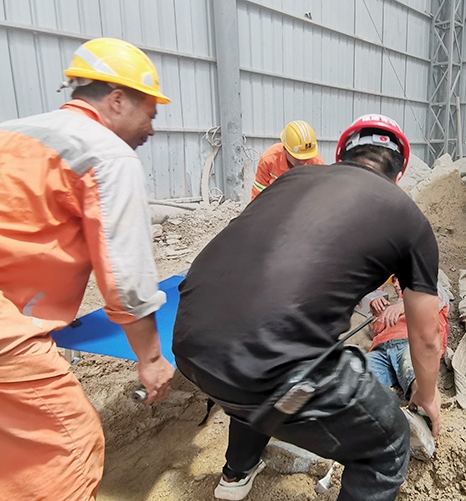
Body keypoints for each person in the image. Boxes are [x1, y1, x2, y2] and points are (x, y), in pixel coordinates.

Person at [0, 38, 175, 501]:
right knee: (66, 458)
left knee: (11, 463)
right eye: (150, 113)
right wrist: (150, 359)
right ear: (117, 99)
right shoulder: (105, 153)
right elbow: (125, 278)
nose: (151, 128)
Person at [174, 114, 443, 501]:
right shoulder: (409, 218)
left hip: (189, 341)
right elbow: (427, 335)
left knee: (257, 358)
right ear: (399, 174)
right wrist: (427, 396)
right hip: (272, 371)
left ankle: (236, 475)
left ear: (339, 157)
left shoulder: (289, 182)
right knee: (387, 446)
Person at [367, 276, 451, 460]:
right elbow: (376, 327)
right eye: (393, 281)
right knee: (357, 380)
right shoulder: (392, 307)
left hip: (411, 344)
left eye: (400, 278)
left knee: (416, 375)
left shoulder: (430, 287)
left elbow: (432, 298)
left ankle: (423, 429)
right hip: (381, 350)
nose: (396, 285)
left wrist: (403, 306)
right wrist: (375, 303)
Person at [250, 120, 325, 200]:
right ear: (285, 149)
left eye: (306, 158)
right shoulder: (269, 161)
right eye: (297, 158)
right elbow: (259, 193)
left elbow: (320, 195)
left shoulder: (317, 164)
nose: (302, 161)